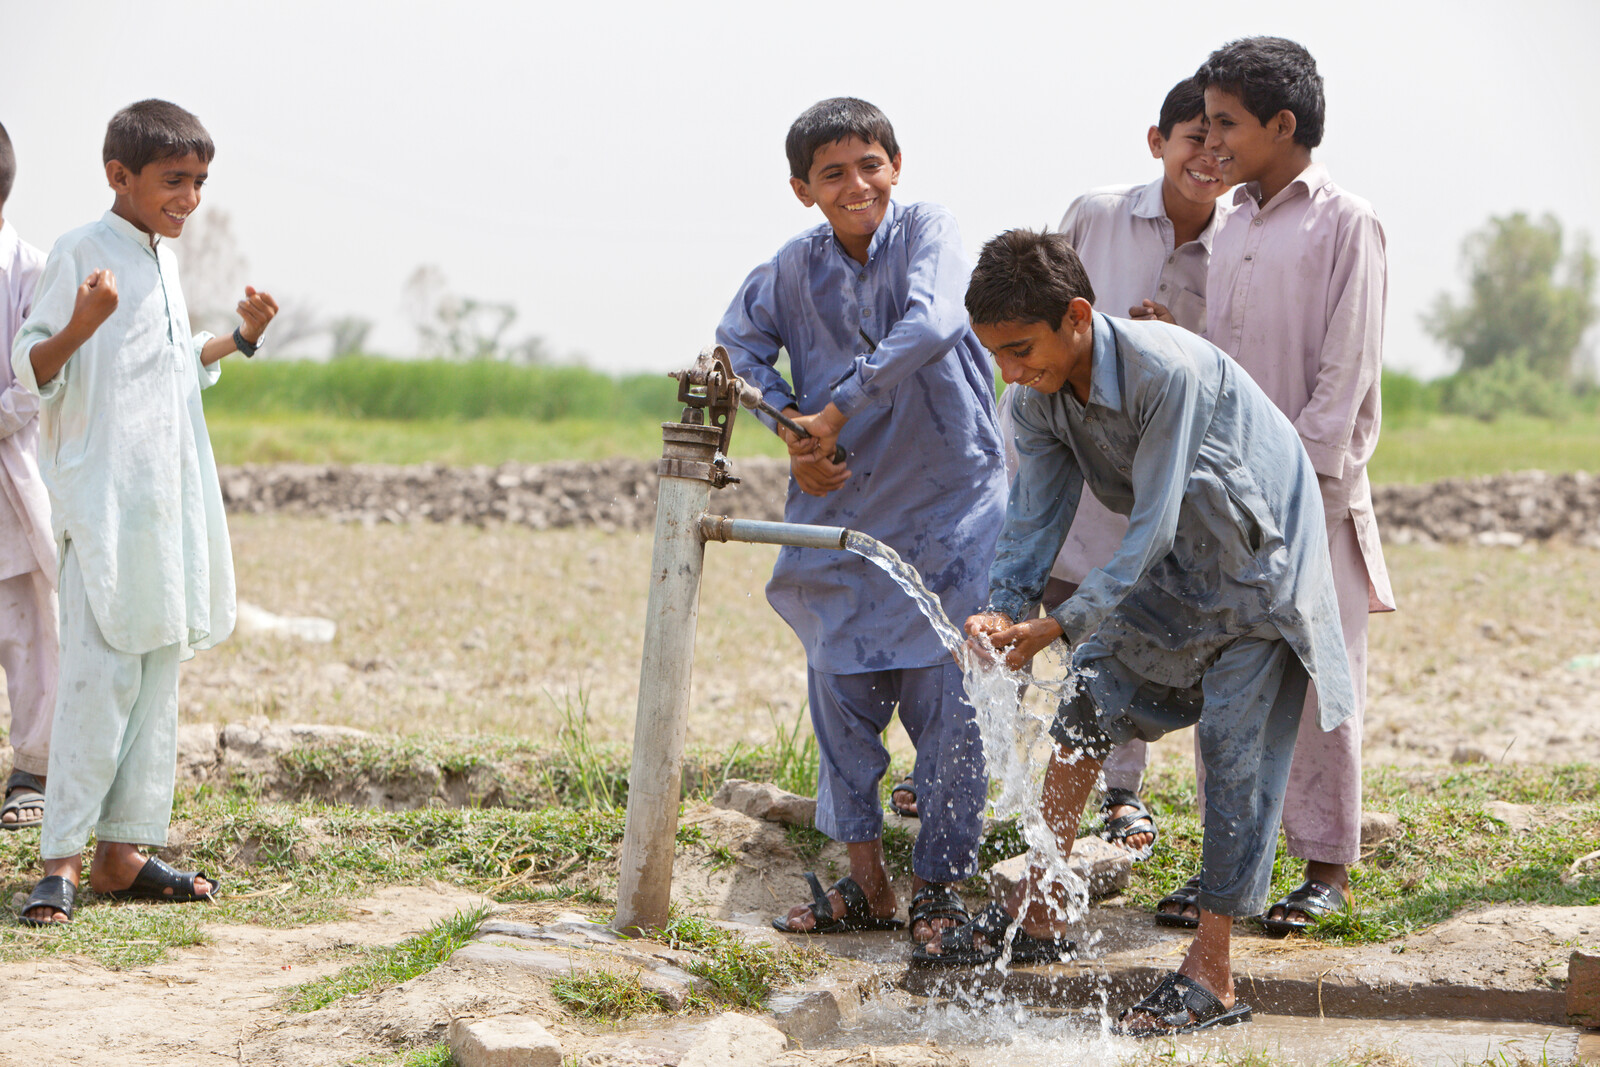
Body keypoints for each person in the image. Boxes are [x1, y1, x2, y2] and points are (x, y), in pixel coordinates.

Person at [914, 229, 1352, 1039]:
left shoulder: (1167, 370)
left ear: (1076, 316)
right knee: (1091, 683)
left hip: (1262, 563)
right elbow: (1034, 517)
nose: (1011, 372)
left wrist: (1057, 620)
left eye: (1021, 349)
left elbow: (1146, 525)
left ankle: (1212, 972)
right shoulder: (1036, 399)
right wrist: (1004, 610)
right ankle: (1042, 910)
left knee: (1232, 742)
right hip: (1183, 564)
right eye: (997, 355)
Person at [717, 97, 1005, 946]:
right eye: (833, 173)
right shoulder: (790, 268)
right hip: (840, 503)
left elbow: (934, 321)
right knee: (839, 687)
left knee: (953, 695)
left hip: (950, 502)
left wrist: (833, 409)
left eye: (869, 165)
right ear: (803, 188)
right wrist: (790, 431)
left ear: (897, 165)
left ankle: (941, 887)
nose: (856, 185)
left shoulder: (929, 230)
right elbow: (736, 348)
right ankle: (867, 883)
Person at [13, 99, 279, 925]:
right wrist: (83, 322)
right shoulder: (78, 253)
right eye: (174, 181)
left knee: (156, 678)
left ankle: (121, 854)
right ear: (118, 176)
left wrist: (238, 338)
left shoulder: (160, 259)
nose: (190, 198)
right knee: (97, 678)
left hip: (163, 504)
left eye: (199, 182)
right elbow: (32, 368)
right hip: (102, 508)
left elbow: (171, 361)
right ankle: (58, 860)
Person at [1156, 36, 1394, 935]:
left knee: (1321, 678)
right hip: (1222, 491)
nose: (1210, 138)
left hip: (1313, 497)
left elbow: (1346, 376)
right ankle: (1229, 872)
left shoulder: (1346, 221)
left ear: (1281, 125)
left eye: (1225, 122)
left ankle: (1327, 867)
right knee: (1227, 678)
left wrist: (1306, 489)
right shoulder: (1230, 220)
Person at [995, 76, 1233, 863]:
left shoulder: (1239, 240)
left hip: (1164, 461)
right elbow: (1036, 295)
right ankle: (1023, 805)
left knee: (1123, 619)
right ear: (1157, 141)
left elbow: (1224, 368)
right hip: (1071, 440)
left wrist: (1173, 340)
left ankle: (1120, 796)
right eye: (1191, 137)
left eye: (1219, 138)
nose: (1207, 153)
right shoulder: (1098, 214)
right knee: (1058, 597)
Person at [0, 120, 59, 833]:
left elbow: (38, 378)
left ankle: (31, 769)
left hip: (13, 479)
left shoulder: (32, 271)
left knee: (29, 633)